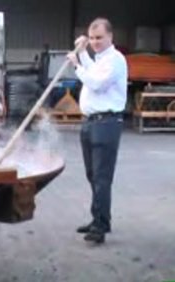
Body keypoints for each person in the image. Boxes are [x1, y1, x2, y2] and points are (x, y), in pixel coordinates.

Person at [67, 18, 127, 244]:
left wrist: (76, 65)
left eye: (99, 38)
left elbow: (97, 83)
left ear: (110, 36)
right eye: (91, 38)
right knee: (93, 175)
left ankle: (100, 227)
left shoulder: (116, 60)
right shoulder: (100, 60)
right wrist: (82, 53)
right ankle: (99, 218)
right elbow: (92, 71)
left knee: (102, 177)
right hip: (90, 123)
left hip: (106, 123)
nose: (95, 42)